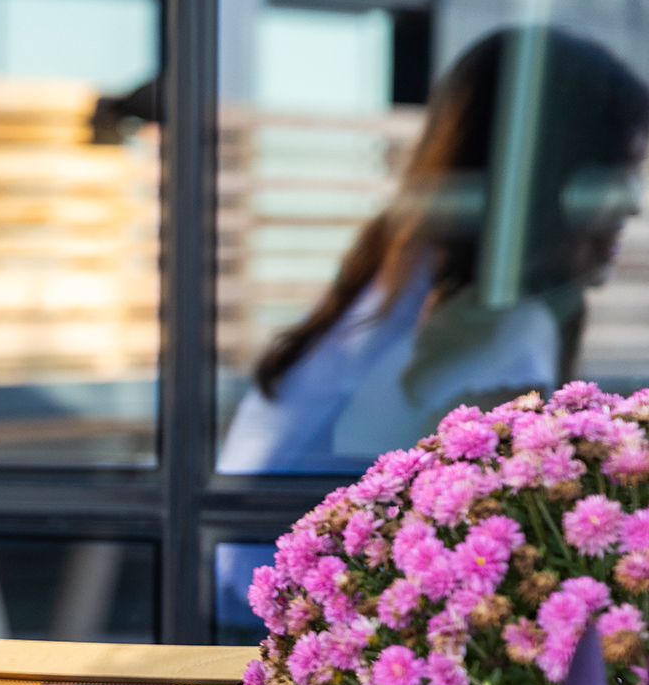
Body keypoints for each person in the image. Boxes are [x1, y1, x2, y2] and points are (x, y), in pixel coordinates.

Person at [220, 25, 649, 473]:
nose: (632, 203)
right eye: (614, 170)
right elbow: (494, 527)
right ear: (546, 182)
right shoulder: (504, 333)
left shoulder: (392, 279)